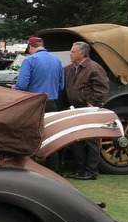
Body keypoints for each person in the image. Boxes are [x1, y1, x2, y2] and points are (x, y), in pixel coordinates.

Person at [13, 36, 66, 172]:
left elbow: (22, 85)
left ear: (31, 47)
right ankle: (54, 169)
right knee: (51, 135)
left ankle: (31, 168)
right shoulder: (57, 60)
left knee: (31, 135)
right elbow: (61, 85)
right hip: (52, 103)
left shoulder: (29, 60)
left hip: (34, 104)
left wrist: (13, 88)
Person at [64, 41, 109, 180]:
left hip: (89, 109)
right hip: (75, 109)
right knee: (76, 140)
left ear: (82, 53)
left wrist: (92, 103)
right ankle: (80, 169)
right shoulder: (71, 68)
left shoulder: (93, 67)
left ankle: (91, 171)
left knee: (91, 141)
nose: (70, 54)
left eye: (73, 51)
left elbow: (102, 87)